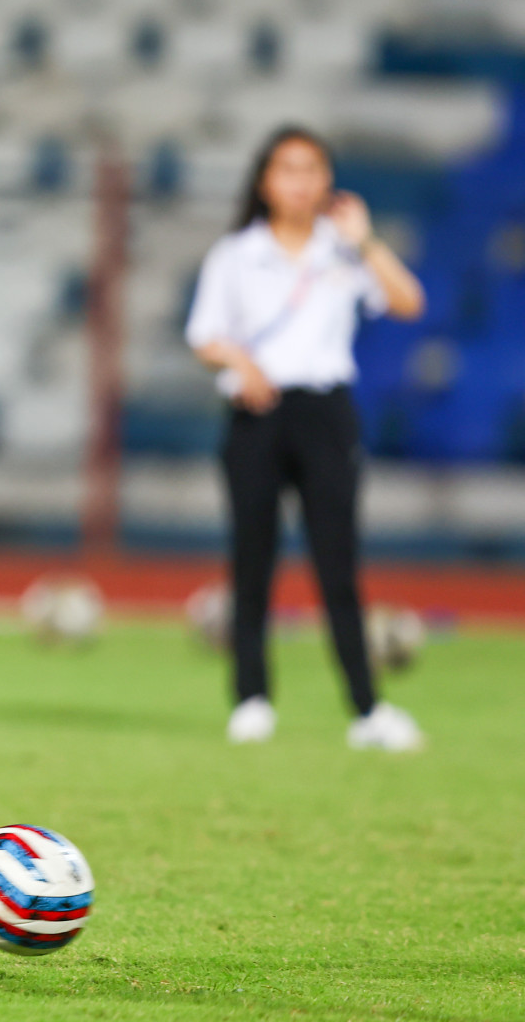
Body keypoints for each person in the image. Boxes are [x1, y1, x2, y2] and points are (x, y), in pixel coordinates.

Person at [185, 125, 426, 752]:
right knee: (252, 560)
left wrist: (366, 240)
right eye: (287, 170)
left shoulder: (343, 252)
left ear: (328, 181)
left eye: (312, 169)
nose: (299, 182)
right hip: (257, 414)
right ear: (265, 181)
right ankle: (252, 699)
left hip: (325, 412)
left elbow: (407, 301)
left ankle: (367, 709)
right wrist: (242, 362)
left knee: (337, 564)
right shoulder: (237, 255)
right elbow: (205, 334)